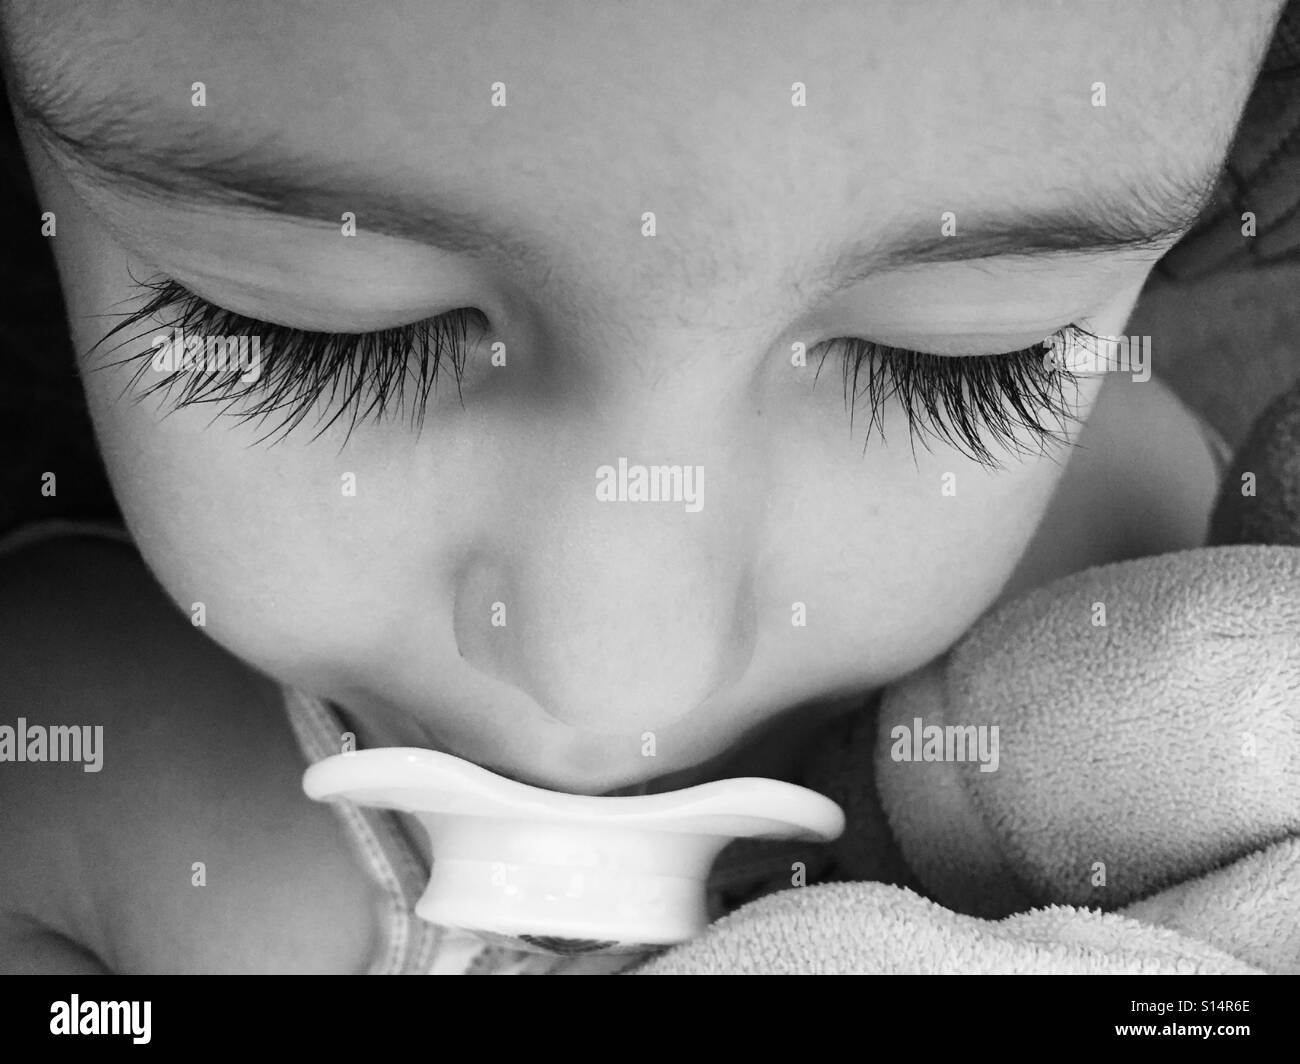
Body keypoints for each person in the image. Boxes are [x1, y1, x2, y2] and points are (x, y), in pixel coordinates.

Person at [0, 0, 1285, 973]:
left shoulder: (1137, 614)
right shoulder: (82, 798)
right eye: (325, 334)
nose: (613, 682)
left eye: (956, 362)